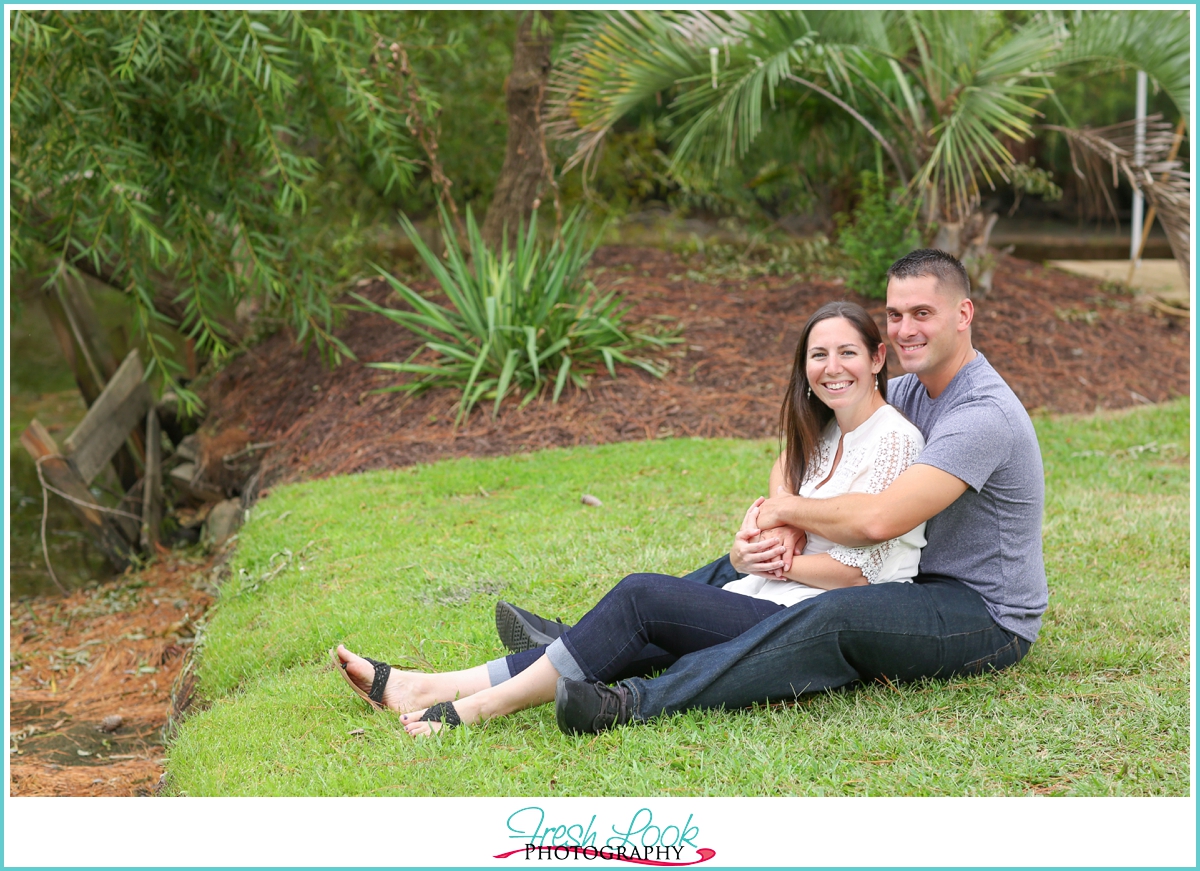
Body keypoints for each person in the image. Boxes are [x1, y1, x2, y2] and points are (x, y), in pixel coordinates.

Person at [499, 248, 1048, 734]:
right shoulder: (905, 387)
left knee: (830, 613)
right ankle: (582, 642)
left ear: (963, 314)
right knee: (737, 567)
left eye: (922, 314)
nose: (905, 329)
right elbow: (799, 448)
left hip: (979, 610)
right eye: (896, 315)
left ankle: (627, 703)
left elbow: (880, 521)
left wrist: (785, 510)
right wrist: (783, 526)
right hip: (913, 578)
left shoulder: (982, 415)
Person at [333, 301, 928, 735]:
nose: (832, 367)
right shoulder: (827, 435)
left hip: (803, 622)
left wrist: (785, 558)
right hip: (769, 595)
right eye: (817, 355)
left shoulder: (894, 441)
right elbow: (785, 480)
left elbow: (860, 576)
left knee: (642, 598)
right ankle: (431, 685)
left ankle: (475, 708)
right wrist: (756, 546)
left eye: (847, 352)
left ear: (878, 357)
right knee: (619, 636)